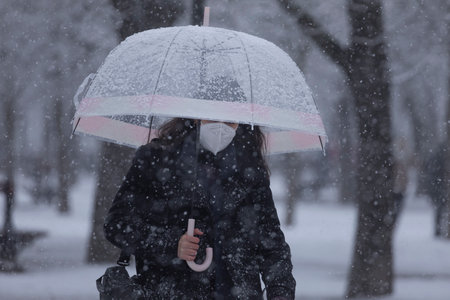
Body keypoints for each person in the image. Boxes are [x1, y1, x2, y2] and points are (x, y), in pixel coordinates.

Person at [104, 117, 296, 299]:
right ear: (195, 116)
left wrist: (280, 291)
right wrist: (171, 244)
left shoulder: (250, 169)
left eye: (230, 120)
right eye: (212, 117)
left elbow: (270, 241)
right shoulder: (155, 158)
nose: (221, 127)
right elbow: (117, 225)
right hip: (169, 291)